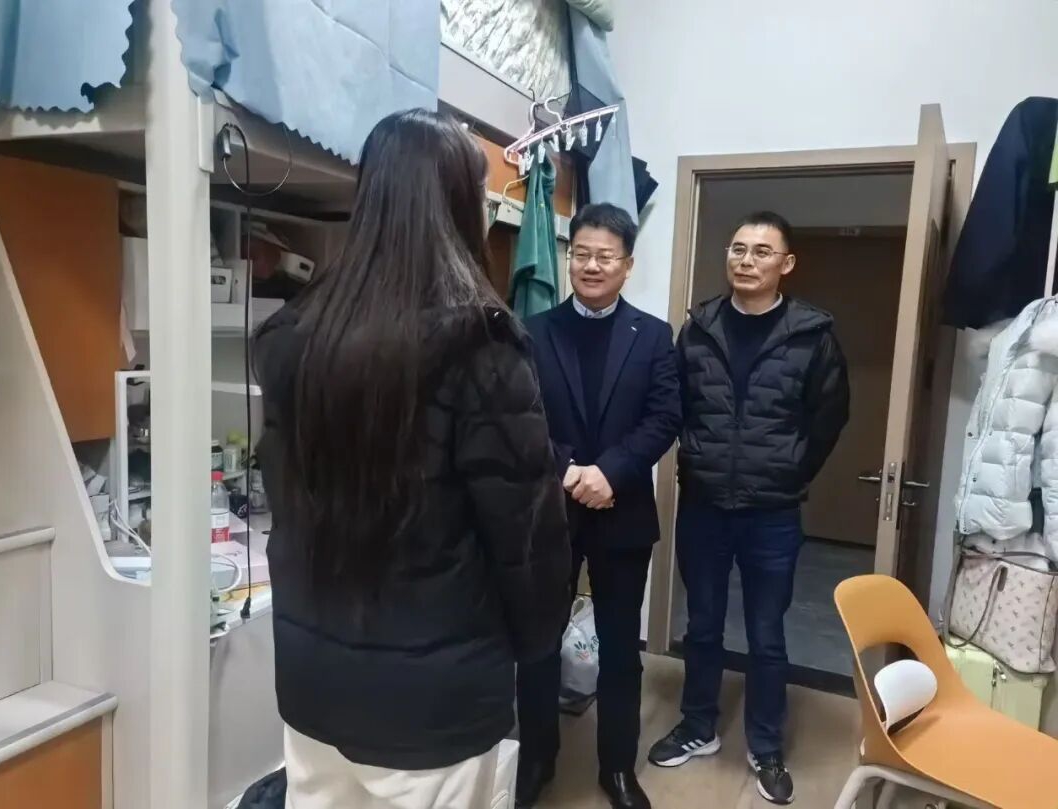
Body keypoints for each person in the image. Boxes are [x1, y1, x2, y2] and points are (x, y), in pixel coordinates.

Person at [253, 109, 572, 809]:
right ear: (458, 204)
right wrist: (534, 646)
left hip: (313, 682)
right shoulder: (481, 348)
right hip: (435, 702)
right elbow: (525, 538)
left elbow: (285, 502)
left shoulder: (291, 338)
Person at [649, 211, 849, 805]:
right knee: (702, 625)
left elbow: (830, 416)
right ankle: (698, 726)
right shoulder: (699, 328)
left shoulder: (811, 334)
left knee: (767, 634)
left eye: (762, 251)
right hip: (705, 505)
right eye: (738, 248)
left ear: (786, 264)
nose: (746, 260)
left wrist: (791, 470)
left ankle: (765, 746)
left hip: (772, 513)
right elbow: (675, 407)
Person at [517, 203, 682, 809]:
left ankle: (617, 768)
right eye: (581, 254)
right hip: (549, 515)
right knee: (538, 645)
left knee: (620, 652)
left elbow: (665, 416)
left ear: (627, 265)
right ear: (569, 259)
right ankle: (536, 759)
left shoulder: (654, 335)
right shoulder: (532, 331)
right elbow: (520, 414)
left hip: (622, 513)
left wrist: (611, 471)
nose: (591, 265)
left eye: (605, 256)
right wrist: (567, 470)